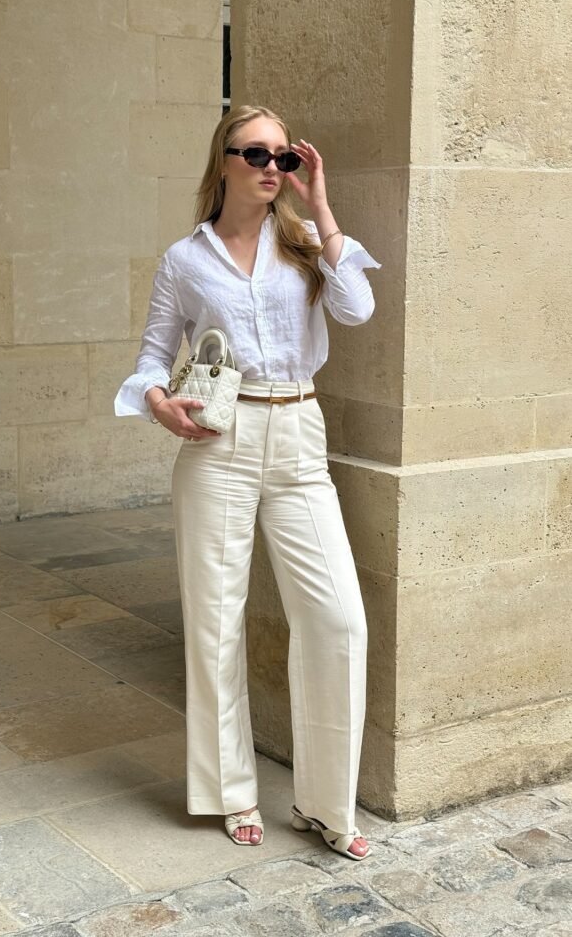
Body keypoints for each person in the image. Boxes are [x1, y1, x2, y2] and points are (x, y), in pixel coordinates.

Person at [114, 104, 381, 860]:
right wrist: (157, 401)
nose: (273, 167)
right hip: (218, 442)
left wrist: (321, 208)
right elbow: (149, 357)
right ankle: (231, 791)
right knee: (214, 623)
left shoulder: (305, 246)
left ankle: (328, 805)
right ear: (224, 160)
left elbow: (357, 309)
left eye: (284, 157)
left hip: (300, 437)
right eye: (256, 153)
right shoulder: (183, 259)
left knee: (337, 621)